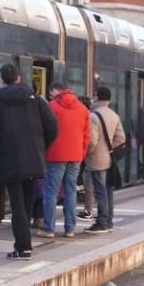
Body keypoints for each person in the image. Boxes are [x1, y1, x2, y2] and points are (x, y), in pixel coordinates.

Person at [0, 64, 58, 259]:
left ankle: (23, 246)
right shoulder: (37, 100)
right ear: (18, 77)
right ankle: (25, 245)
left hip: (9, 159)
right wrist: (40, 148)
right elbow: (52, 127)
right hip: (33, 157)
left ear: (3, 80)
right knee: (25, 199)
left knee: (17, 204)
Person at [38, 83, 89, 239]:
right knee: (71, 191)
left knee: (50, 192)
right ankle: (69, 229)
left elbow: (44, 131)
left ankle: (49, 229)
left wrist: (44, 151)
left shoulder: (51, 106)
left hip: (55, 155)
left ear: (55, 92)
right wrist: (81, 154)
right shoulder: (82, 108)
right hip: (75, 155)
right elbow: (87, 136)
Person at [84, 87, 125, 234]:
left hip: (96, 159)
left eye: (94, 95)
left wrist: (86, 153)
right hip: (109, 158)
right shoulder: (114, 115)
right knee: (108, 190)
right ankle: (109, 222)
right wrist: (109, 150)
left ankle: (101, 223)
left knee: (100, 190)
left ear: (96, 97)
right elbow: (121, 138)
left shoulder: (93, 116)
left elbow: (92, 141)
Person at [76, 95, 95, 220]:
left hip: (83, 151)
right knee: (81, 176)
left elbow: (90, 138)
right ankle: (82, 195)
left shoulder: (86, 116)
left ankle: (84, 199)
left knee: (81, 177)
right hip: (84, 151)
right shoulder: (91, 115)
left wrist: (86, 150)